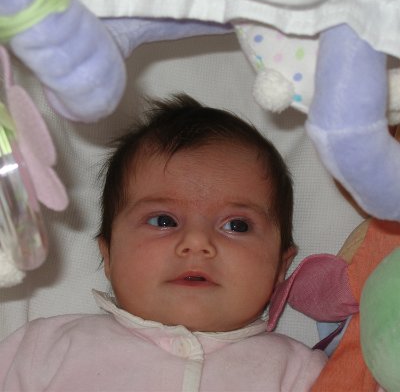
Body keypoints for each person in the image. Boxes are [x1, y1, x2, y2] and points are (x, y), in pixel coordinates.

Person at [0, 94, 326, 391]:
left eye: (236, 225)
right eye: (163, 221)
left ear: (281, 266)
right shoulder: (45, 349)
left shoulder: (301, 374)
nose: (197, 242)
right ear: (109, 255)